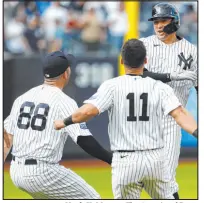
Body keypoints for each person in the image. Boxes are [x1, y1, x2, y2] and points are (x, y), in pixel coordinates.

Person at [54, 39, 198, 199]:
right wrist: (198, 132)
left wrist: (64, 122)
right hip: (154, 158)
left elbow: (87, 112)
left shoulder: (112, 86)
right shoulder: (159, 87)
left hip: (125, 160)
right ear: (145, 60)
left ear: (122, 61)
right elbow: (180, 114)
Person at [3, 51, 113, 199]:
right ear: (65, 73)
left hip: (16, 171)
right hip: (43, 171)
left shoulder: (23, 98)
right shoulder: (63, 101)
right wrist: (111, 159)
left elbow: (6, 137)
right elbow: (83, 139)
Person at [139, 3, 198, 199]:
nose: (158, 26)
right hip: (145, 117)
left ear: (175, 22)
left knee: (166, 178)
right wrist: (171, 76)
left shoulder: (192, 51)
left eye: (163, 20)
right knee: (137, 175)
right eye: (155, 21)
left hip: (173, 120)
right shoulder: (144, 45)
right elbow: (139, 73)